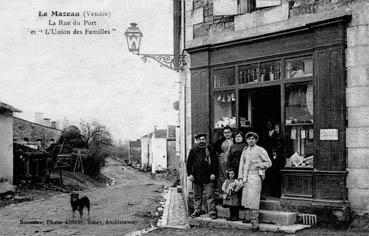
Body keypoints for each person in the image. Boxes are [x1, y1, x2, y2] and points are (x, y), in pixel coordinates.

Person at [238, 132, 272, 230]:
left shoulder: (260, 150)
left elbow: (269, 162)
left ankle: (255, 222)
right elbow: (242, 164)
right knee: (247, 198)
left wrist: (260, 165)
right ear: (247, 140)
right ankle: (250, 218)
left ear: (256, 140)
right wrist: (240, 178)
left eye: (253, 138)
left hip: (256, 176)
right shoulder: (245, 150)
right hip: (246, 177)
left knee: (254, 198)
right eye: (249, 139)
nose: (251, 140)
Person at [187, 133, 219, 219]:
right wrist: (190, 174)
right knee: (197, 195)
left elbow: (215, 162)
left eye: (203, 139)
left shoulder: (210, 149)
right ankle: (197, 210)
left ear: (205, 140)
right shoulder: (193, 150)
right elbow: (189, 163)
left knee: (210, 195)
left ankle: (212, 213)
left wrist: (213, 173)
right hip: (196, 176)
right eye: (200, 139)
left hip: (208, 176)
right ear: (197, 140)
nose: (201, 141)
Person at [215, 126, 233, 191]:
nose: (227, 134)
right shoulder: (220, 141)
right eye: (225, 133)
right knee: (223, 175)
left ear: (231, 133)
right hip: (222, 161)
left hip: (232, 160)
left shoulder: (235, 140)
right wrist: (219, 153)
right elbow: (214, 149)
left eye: (228, 132)